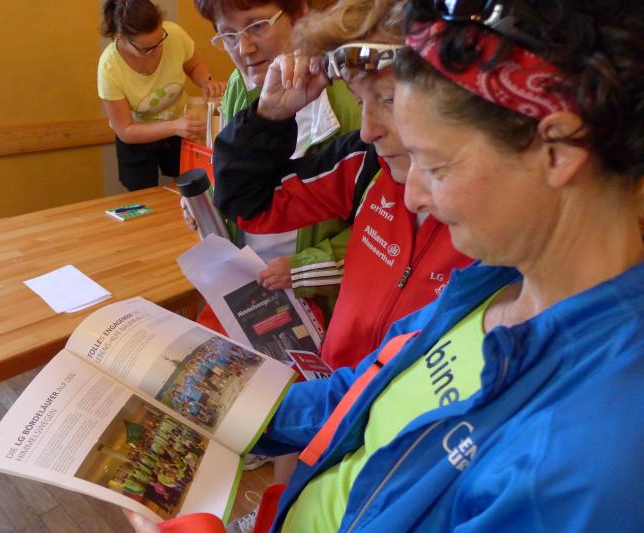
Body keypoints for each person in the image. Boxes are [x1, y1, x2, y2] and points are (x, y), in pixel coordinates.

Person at [129, 0, 644, 530]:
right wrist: (207, 407)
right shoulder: (489, 287)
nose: (413, 194)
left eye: (435, 165)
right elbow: (366, 395)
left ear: (558, 150)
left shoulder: (595, 457)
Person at [212, 0, 473, 370]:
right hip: (335, 385)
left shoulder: (495, 219)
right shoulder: (365, 162)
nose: (368, 130)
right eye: (360, 101)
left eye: (389, 100)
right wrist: (270, 116)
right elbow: (248, 205)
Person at [191, 0, 362, 322]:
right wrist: (209, 205)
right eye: (228, 35)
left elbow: (380, 223)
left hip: (323, 300)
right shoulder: (240, 86)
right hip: (253, 283)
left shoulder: (351, 97)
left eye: (257, 26)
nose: (244, 48)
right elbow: (243, 180)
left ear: (300, 16)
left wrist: (304, 267)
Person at [98, 0, 226, 191]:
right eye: (146, 48)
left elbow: (194, 65)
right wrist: (174, 127)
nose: (156, 50)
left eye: (160, 40)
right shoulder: (109, 68)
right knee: (142, 193)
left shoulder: (174, 34)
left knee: (190, 185)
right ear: (122, 38)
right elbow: (126, 131)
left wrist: (206, 82)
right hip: (139, 136)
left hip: (179, 125)